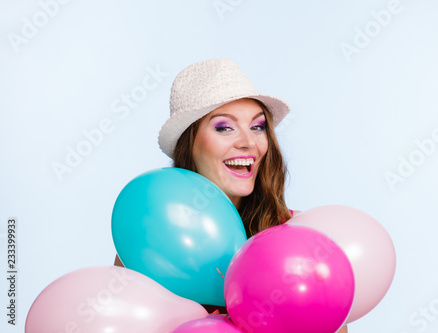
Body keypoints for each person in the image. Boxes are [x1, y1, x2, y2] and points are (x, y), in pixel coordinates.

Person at [114, 58, 347, 333]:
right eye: (224, 127)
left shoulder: (299, 236)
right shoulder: (149, 242)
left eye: (258, 127)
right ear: (190, 143)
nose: (248, 142)